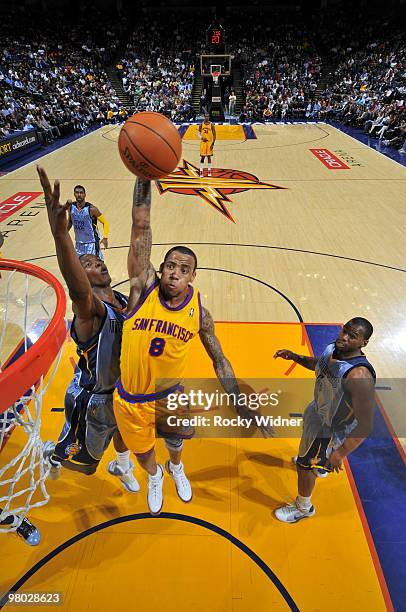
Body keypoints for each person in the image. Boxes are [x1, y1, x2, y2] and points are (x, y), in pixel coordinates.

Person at [113, 177, 269, 515]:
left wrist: (238, 401)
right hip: (129, 396)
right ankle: (155, 475)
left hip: (169, 395)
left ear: (192, 277)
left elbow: (220, 360)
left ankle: (175, 467)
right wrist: (142, 174)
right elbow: (140, 224)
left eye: (183, 270)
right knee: (142, 453)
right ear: (161, 268)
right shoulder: (143, 288)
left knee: (177, 440)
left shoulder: (199, 313)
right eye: (170, 266)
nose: (174, 273)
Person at [36, 166, 139, 493]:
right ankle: (52, 454)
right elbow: (77, 288)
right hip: (92, 398)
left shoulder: (119, 298)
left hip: (121, 389)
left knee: (125, 430)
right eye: (89, 264)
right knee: (86, 466)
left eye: (98, 260)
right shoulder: (89, 310)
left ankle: (122, 465)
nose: (99, 263)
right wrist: (60, 235)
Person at [273, 318, 376, 523]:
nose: (344, 337)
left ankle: (303, 508)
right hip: (319, 411)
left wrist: (340, 453)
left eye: (352, 336)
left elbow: (365, 424)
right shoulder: (334, 349)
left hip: (330, 429)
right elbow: (319, 365)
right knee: (310, 457)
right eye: (344, 330)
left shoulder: (359, 376)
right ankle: (318, 463)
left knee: (304, 467)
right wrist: (295, 357)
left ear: (363, 343)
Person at [68, 184, 109, 261]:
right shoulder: (71, 207)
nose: (79, 195)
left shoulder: (91, 209)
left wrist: (105, 237)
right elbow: (70, 222)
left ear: (85, 194)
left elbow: (105, 222)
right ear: (74, 194)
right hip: (79, 243)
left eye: (81, 193)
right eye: (77, 192)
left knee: (96, 267)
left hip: (91, 243)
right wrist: (63, 233)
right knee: (80, 268)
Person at [198, 112, 216, 178]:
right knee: (202, 157)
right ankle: (201, 171)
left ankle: (209, 171)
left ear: (209, 117)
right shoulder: (201, 125)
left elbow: (214, 135)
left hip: (209, 143)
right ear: (204, 117)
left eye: (208, 116)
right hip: (203, 143)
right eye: (206, 116)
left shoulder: (211, 125)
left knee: (209, 157)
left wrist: (213, 144)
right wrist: (202, 138)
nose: (207, 117)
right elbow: (198, 133)